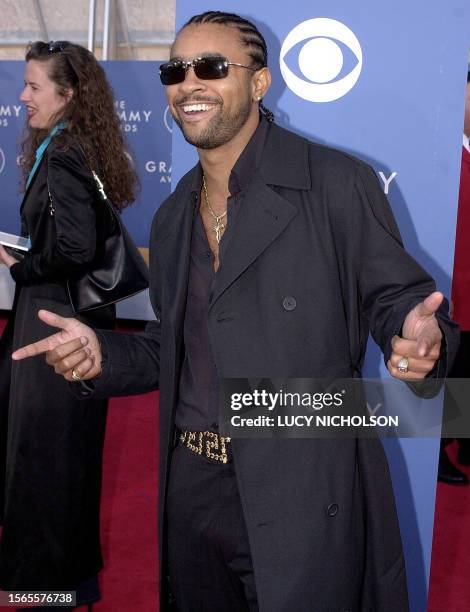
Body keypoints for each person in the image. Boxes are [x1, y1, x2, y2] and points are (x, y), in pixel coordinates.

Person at [12, 12, 459, 611]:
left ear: (259, 82)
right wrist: (102, 355)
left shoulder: (334, 183)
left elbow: (397, 300)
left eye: (212, 67)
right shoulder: (173, 216)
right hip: (192, 486)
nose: (189, 83)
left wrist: (419, 339)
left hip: (302, 480)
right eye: (176, 69)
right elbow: (171, 347)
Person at [0, 41, 137, 607]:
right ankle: (63, 587)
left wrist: (22, 263)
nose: (23, 96)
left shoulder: (61, 154)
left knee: (45, 462)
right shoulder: (75, 146)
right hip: (65, 318)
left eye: (34, 86)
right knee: (59, 460)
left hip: (53, 320)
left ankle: (45, 592)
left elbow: (76, 247)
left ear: (68, 93)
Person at [438, 71, 470, 485]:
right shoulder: (443, 160)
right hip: (449, 291)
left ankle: (463, 442)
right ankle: (440, 449)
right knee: (450, 372)